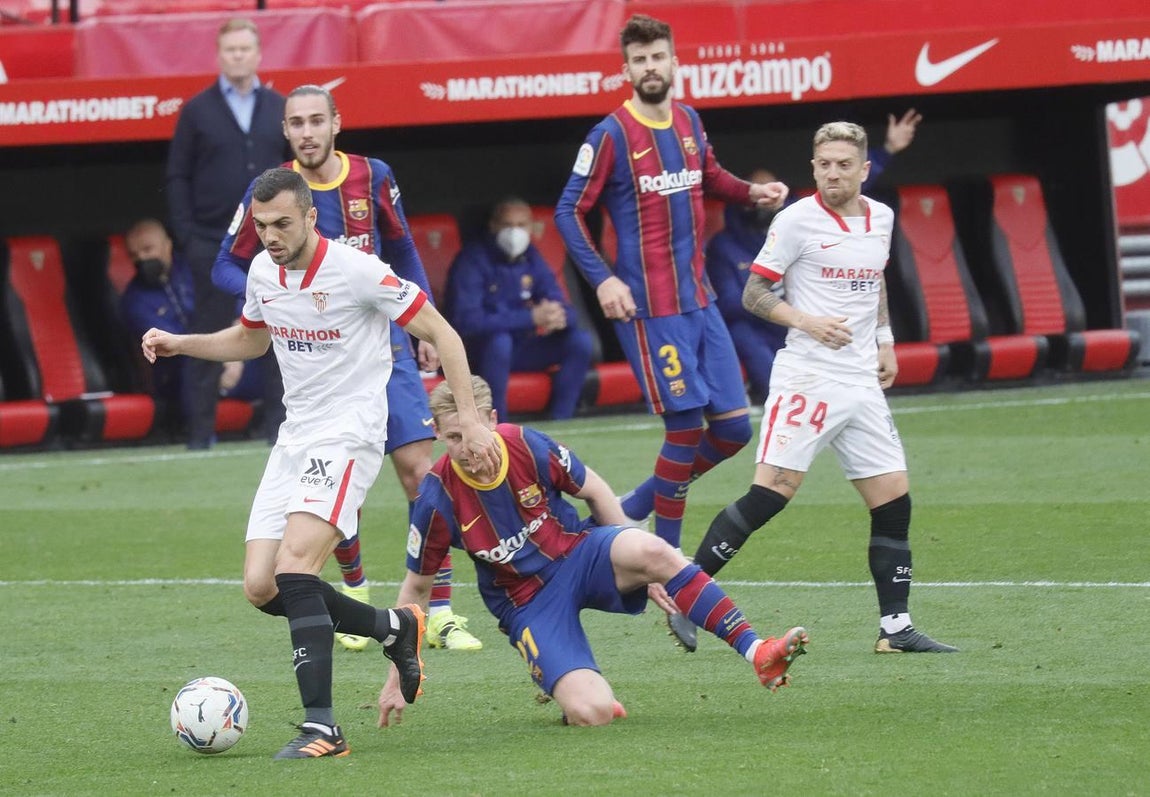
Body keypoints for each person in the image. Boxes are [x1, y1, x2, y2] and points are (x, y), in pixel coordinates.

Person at [141, 168, 501, 758]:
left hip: (349, 435)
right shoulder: (262, 270)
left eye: (283, 223)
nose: (271, 236)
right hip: (295, 438)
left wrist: (472, 417)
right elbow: (253, 339)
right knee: (261, 586)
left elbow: (443, 331)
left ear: (312, 216)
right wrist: (184, 343)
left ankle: (322, 728)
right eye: (261, 226)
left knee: (296, 567)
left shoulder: (357, 270)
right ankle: (396, 628)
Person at [212, 84, 482, 653]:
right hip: (317, 351)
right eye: (296, 123)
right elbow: (225, 265)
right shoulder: (271, 194)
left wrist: (420, 325)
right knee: (333, 483)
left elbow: (403, 248)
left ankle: (439, 609)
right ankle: (356, 594)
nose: (307, 132)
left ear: (337, 123)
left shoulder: (373, 175)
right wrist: (278, 299)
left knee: (419, 469)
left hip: (387, 339)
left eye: (317, 121)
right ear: (285, 131)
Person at [376, 375, 809, 728]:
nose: (467, 450)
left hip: (580, 554)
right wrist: (395, 678)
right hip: (526, 603)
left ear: (492, 418)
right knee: (593, 714)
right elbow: (416, 588)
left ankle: (759, 653)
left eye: (472, 433)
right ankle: (571, 689)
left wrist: (636, 557)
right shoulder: (435, 498)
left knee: (653, 549)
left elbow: (595, 490)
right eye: (452, 437)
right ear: (434, 432)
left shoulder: (526, 444)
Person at [554, 14, 788, 651]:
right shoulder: (609, 135)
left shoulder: (687, 121)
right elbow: (568, 211)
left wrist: (751, 192)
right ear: (625, 69)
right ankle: (677, 575)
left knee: (736, 430)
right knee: (685, 428)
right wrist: (603, 279)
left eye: (659, 56)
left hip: (701, 301)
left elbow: (709, 176)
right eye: (640, 60)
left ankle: (631, 506)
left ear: (672, 60)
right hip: (650, 309)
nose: (651, 67)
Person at [690, 121, 957, 654]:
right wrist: (807, 321)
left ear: (863, 169)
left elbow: (874, 277)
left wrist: (884, 339)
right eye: (824, 164)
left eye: (843, 164)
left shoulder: (880, 216)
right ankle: (684, 593)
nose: (833, 173)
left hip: (860, 379)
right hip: (809, 377)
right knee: (772, 493)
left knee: (893, 501)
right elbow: (754, 293)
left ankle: (895, 629)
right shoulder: (795, 221)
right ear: (814, 168)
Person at [706, 114, 922, 403]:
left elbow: (847, 191)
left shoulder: (871, 215)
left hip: (830, 334)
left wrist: (884, 340)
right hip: (773, 326)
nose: (767, 204)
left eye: (774, 193)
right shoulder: (772, 228)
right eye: (760, 196)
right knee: (745, 336)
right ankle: (770, 395)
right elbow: (741, 299)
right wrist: (792, 309)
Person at [166, 17, 287, 450]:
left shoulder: (278, 106)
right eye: (230, 49)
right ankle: (199, 436)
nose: (237, 56)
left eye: (244, 49)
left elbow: (295, 173)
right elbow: (177, 176)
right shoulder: (197, 111)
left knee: (279, 331)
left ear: (258, 54)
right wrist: (187, 236)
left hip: (272, 242)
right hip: (212, 242)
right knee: (208, 333)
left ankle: (280, 431)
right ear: (219, 55)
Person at [446, 197, 594, 421]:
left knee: (579, 341)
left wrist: (559, 316)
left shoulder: (531, 256)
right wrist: (531, 318)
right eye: (508, 225)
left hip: (522, 348)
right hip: (480, 352)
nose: (515, 232)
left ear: (531, 227)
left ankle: (562, 420)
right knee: (500, 341)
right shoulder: (473, 259)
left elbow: (560, 303)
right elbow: (466, 321)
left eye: (521, 225)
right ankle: (499, 423)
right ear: (493, 225)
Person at [120, 218, 259, 438]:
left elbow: (237, 303)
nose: (142, 259)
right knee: (192, 367)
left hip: (233, 358)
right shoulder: (133, 299)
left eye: (148, 249)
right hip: (179, 376)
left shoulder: (196, 270)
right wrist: (219, 361)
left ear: (168, 245)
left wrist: (236, 349)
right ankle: (203, 442)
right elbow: (169, 344)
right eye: (134, 255)